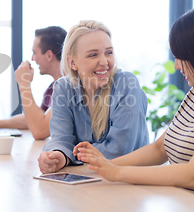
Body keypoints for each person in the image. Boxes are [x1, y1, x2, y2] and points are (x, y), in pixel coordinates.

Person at [75, 8, 194, 211]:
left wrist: (116, 173)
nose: (177, 65)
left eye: (181, 56)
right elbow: (160, 149)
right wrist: (102, 166)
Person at [38, 20, 149, 174]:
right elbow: (60, 139)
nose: (104, 62)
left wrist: (70, 155)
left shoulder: (126, 85)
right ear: (72, 62)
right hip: (89, 181)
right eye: (93, 55)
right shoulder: (64, 88)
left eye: (109, 52)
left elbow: (120, 150)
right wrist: (57, 155)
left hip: (130, 182)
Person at [0, 26, 67, 140]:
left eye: (34, 53)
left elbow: (39, 130)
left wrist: (24, 84)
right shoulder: (53, 88)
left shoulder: (68, 87)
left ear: (49, 55)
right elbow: (32, 120)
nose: (32, 58)